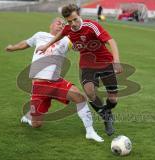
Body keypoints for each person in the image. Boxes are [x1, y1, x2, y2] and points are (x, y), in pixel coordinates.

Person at [5, 17, 104, 142]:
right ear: (51, 25)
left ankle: (90, 131)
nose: (61, 25)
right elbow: (26, 43)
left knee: (80, 97)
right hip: (39, 87)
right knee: (37, 124)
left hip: (56, 82)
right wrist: (12, 47)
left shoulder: (67, 39)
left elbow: (81, 40)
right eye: (59, 23)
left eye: (63, 24)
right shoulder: (40, 35)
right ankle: (30, 117)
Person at [36, 4, 123, 136]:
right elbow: (60, 34)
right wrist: (46, 45)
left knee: (113, 99)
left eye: (75, 19)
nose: (73, 24)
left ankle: (106, 112)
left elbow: (111, 41)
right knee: (89, 91)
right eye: (69, 21)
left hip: (104, 62)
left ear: (79, 15)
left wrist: (116, 61)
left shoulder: (92, 26)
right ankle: (105, 117)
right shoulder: (68, 28)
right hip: (87, 65)